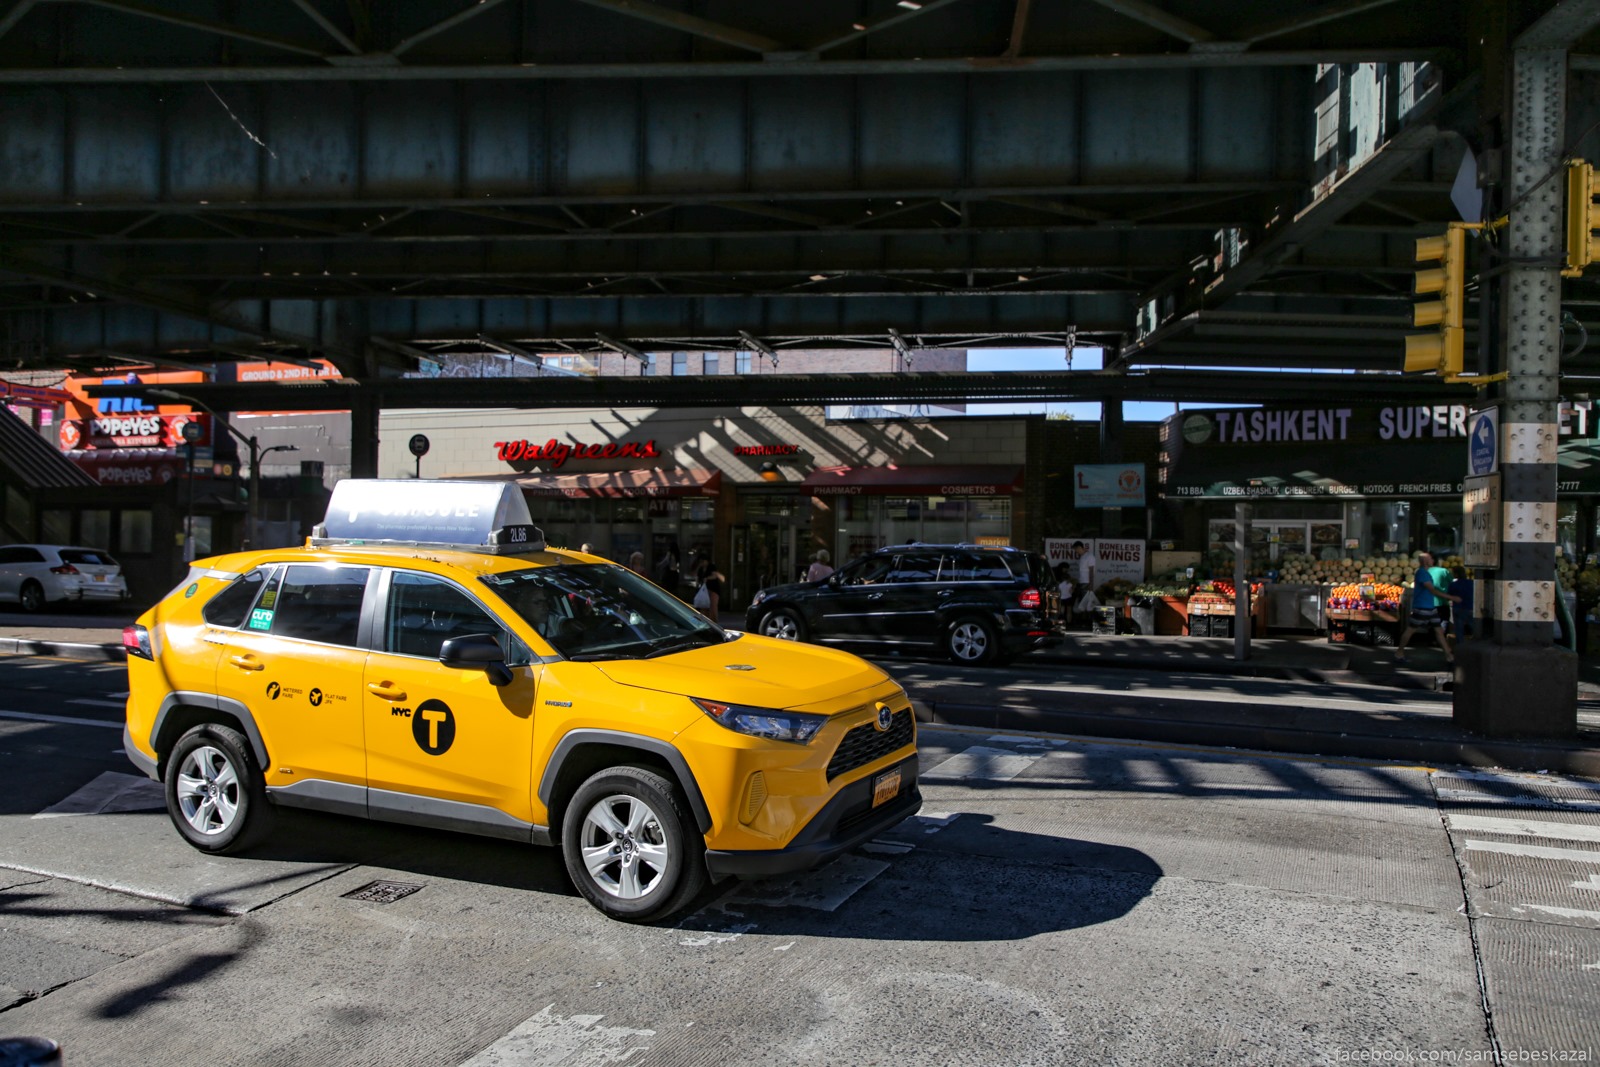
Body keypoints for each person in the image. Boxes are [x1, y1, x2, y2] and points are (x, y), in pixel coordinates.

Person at [1395, 551, 1461, 664]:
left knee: (1439, 631)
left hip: (1430, 607)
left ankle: (1449, 656)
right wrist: (1451, 597)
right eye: (1430, 559)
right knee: (1410, 630)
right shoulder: (1422, 573)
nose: (1432, 561)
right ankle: (1399, 652)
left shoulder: (1426, 572)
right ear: (1426, 562)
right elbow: (1432, 590)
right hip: (1422, 607)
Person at [1448, 565, 1474, 640]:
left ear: (1456, 574)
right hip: (1470, 608)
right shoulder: (1471, 583)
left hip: (1458, 608)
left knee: (1459, 630)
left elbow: (1449, 595)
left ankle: (1460, 644)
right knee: (1474, 627)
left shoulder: (1453, 584)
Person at [1055, 562, 1075, 627]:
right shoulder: (1070, 584)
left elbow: (1058, 591)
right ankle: (1069, 623)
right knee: (1069, 611)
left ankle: (1061, 622)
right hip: (1069, 598)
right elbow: (1071, 591)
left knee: (1062, 610)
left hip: (1062, 598)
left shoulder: (1059, 585)